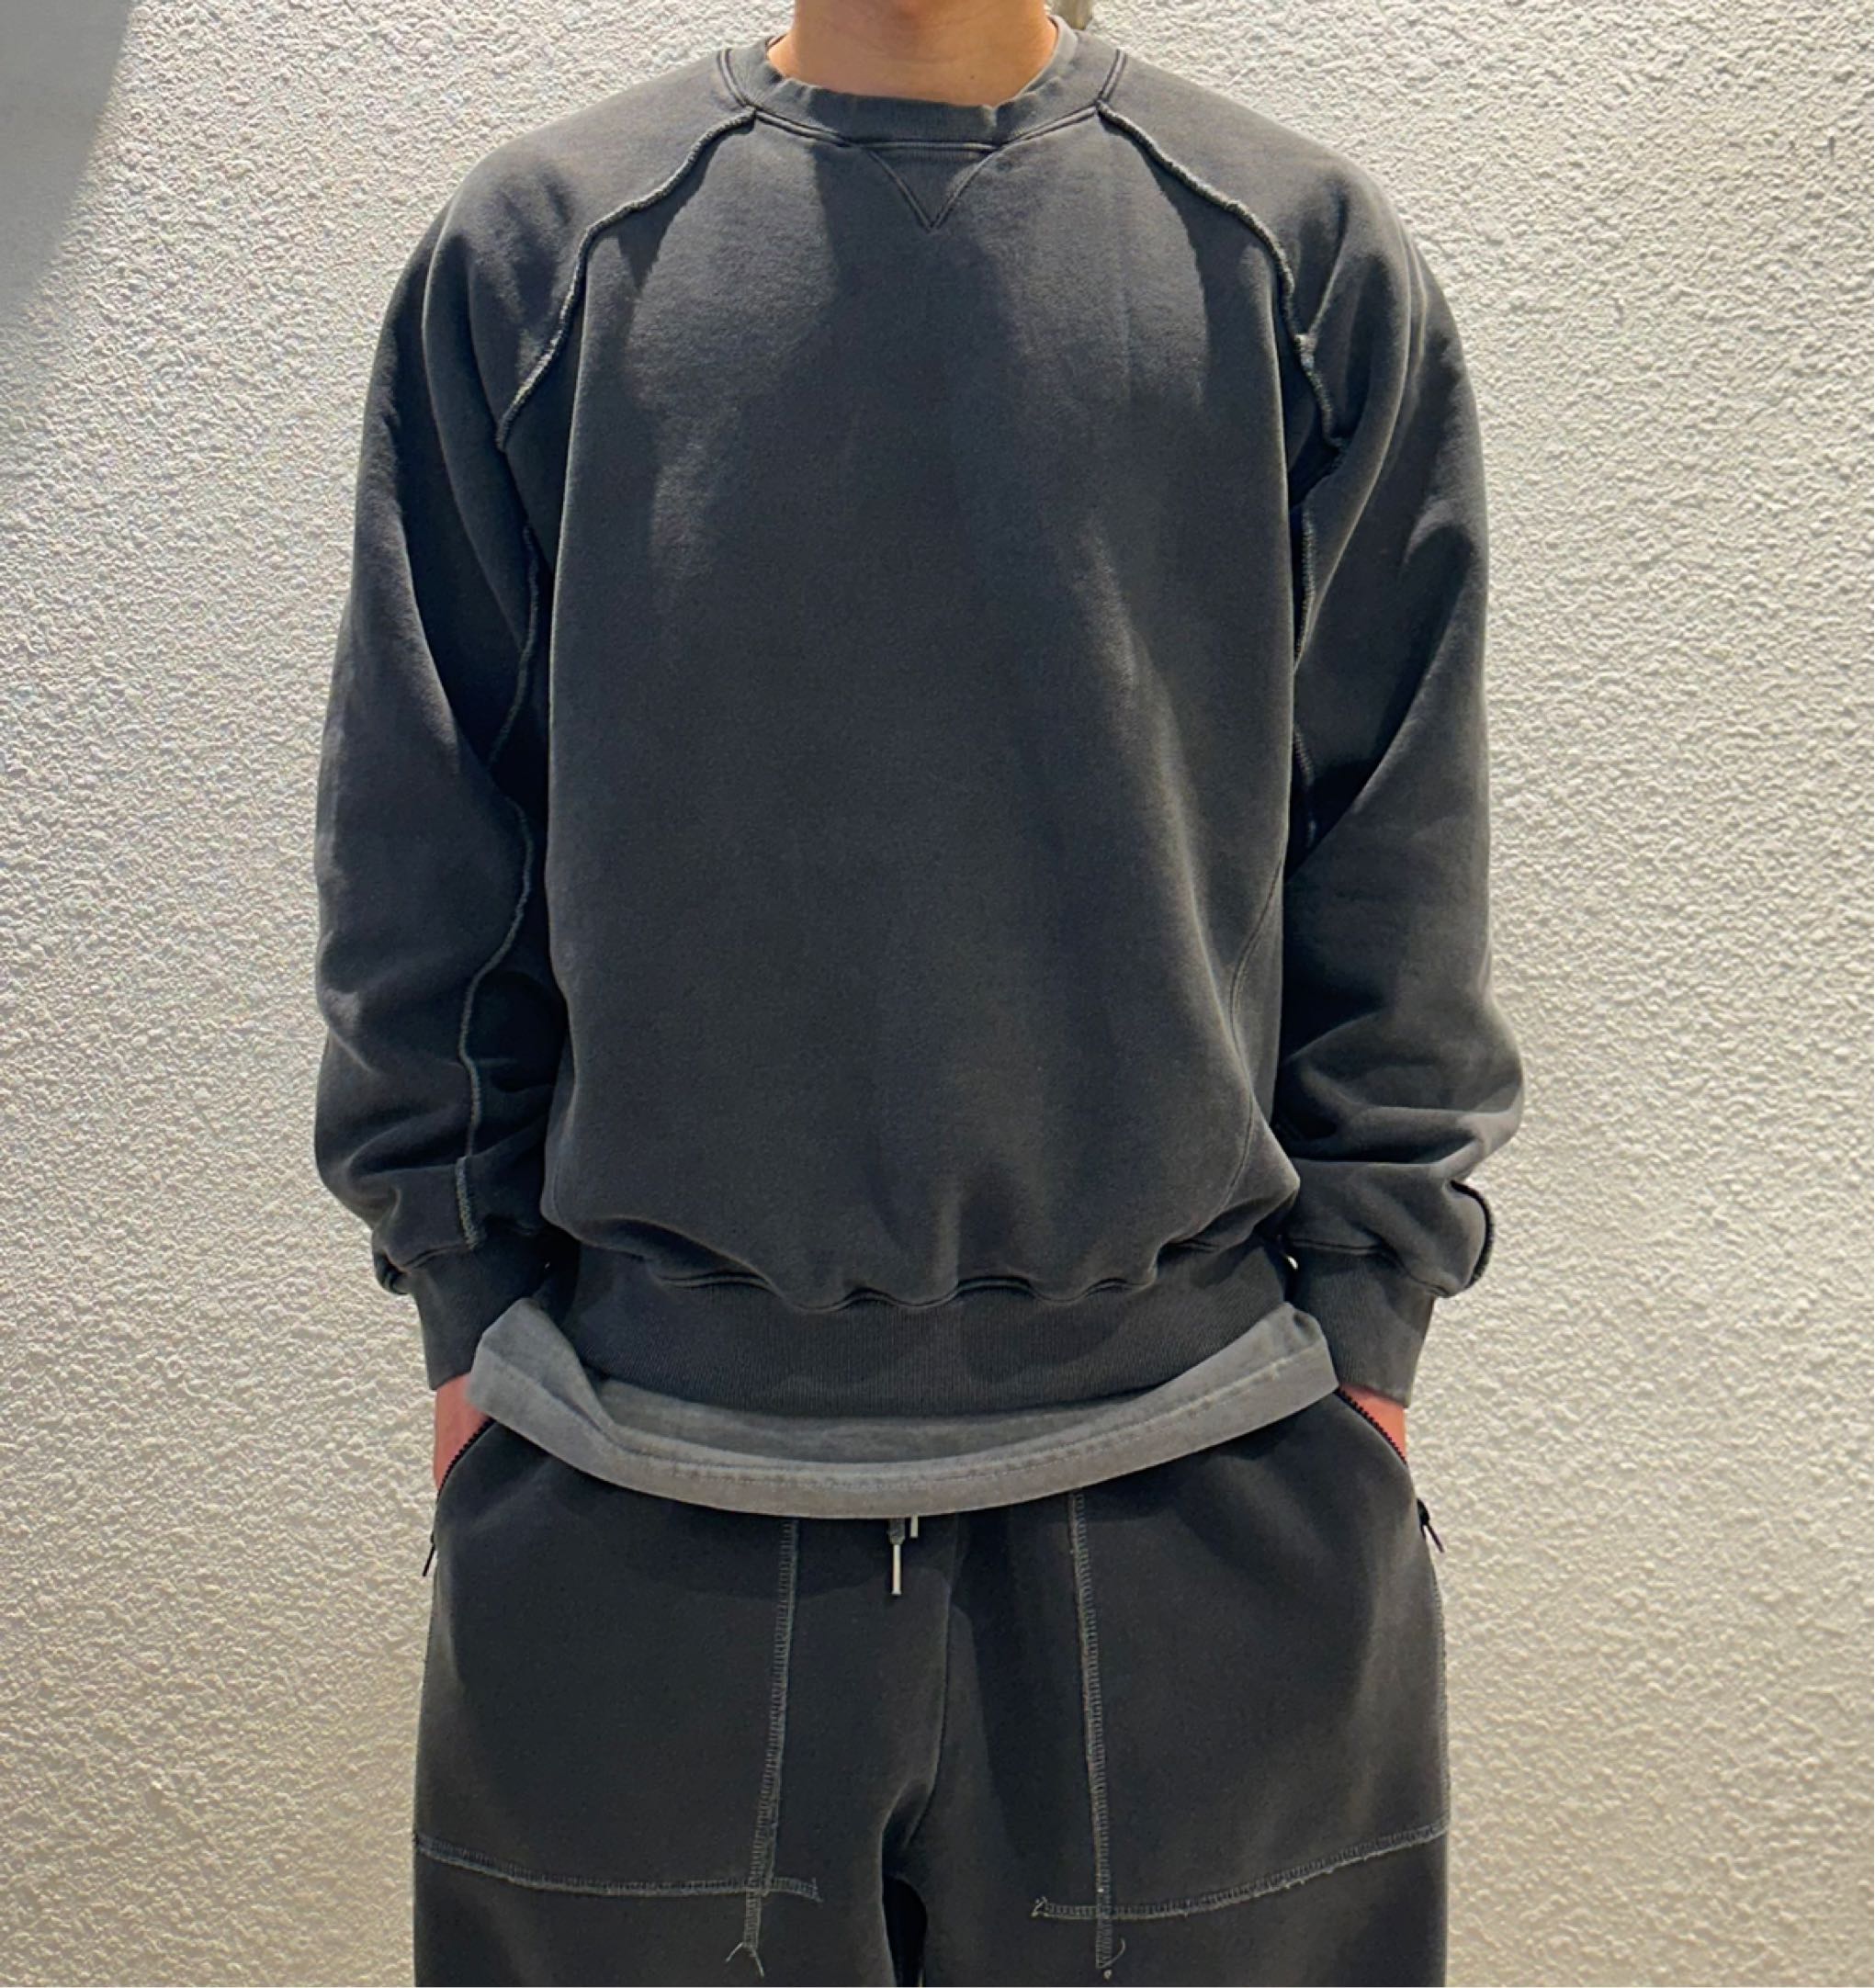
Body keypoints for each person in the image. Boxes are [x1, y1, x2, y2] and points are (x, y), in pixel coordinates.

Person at [311, 3, 1525, 1981]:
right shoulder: (543, 253)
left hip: (1203, 1487)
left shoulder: (1292, 256)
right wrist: (469, 1325)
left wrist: (1366, 1345)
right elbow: (420, 849)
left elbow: (1397, 848)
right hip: (634, 1483)